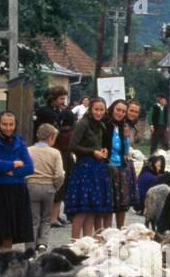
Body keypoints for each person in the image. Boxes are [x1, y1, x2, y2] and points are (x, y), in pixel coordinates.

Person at [0, 111, 34, 251]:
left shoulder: (19, 141)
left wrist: (7, 168)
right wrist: (14, 164)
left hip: (17, 191)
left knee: (9, 234)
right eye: (4, 124)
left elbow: (30, 168)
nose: (8, 127)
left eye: (11, 124)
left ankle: (4, 269)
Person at [64, 97, 112, 238]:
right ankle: (75, 241)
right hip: (84, 168)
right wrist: (92, 152)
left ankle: (87, 241)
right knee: (82, 208)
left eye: (101, 110)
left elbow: (96, 144)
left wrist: (103, 150)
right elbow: (72, 146)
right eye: (96, 109)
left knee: (92, 208)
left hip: (97, 168)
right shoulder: (83, 123)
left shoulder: (100, 125)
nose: (98, 112)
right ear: (90, 109)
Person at [34, 87, 77, 227]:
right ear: (52, 98)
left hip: (61, 150)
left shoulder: (58, 112)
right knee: (56, 183)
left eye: (64, 98)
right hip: (52, 150)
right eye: (61, 99)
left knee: (62, 183)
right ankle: (51, 217)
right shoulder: (47, 113)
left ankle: (56, 215)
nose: (63, 102)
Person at [26, 123, 65, 248]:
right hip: (48, 187)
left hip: (31, 186)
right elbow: (59, 174)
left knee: (33, 219)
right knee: (46, 218)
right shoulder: (55, 153)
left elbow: (24, 170)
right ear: (51, 138)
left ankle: (30, 246)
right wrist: (56, 186)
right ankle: (42, 243)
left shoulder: (28, 150)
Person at [106, 99, 138, 229]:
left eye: (123, 111)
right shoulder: (109, 125)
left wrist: (125, 138)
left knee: (122, 202)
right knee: (109, 202)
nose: (121, 113)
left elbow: (125, 149)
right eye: (118, 110)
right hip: (109, 165)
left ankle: (120, 229)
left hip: (122, 165)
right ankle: (106, 231)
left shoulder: (124, 126)